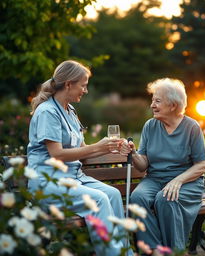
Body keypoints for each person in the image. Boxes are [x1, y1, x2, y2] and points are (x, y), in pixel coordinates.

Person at [27, 60, 133, 256]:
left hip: (73, 178)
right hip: (48, 181)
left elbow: (83, 149)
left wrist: (110, 147)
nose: (85, 90)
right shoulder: (48, 112)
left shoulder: (70, 110)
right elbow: (56, 154)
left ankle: (124, 253)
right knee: (99, 200)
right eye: (83, 85)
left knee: (113, 195)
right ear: (68, 84)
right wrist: (97, 146)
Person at [120, 78, 205, 253]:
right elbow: (143, 165)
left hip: (187, 182)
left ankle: (173, 250)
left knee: (166, 198)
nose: (152, 105)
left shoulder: (191, 127)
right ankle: (154, 249)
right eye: (152, 100)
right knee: (138, 199)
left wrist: (178, 181)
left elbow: (202, 165)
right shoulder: (150, 126)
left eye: (157, 101)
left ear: (173, 105)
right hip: (154, 179)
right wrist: (133, 153)